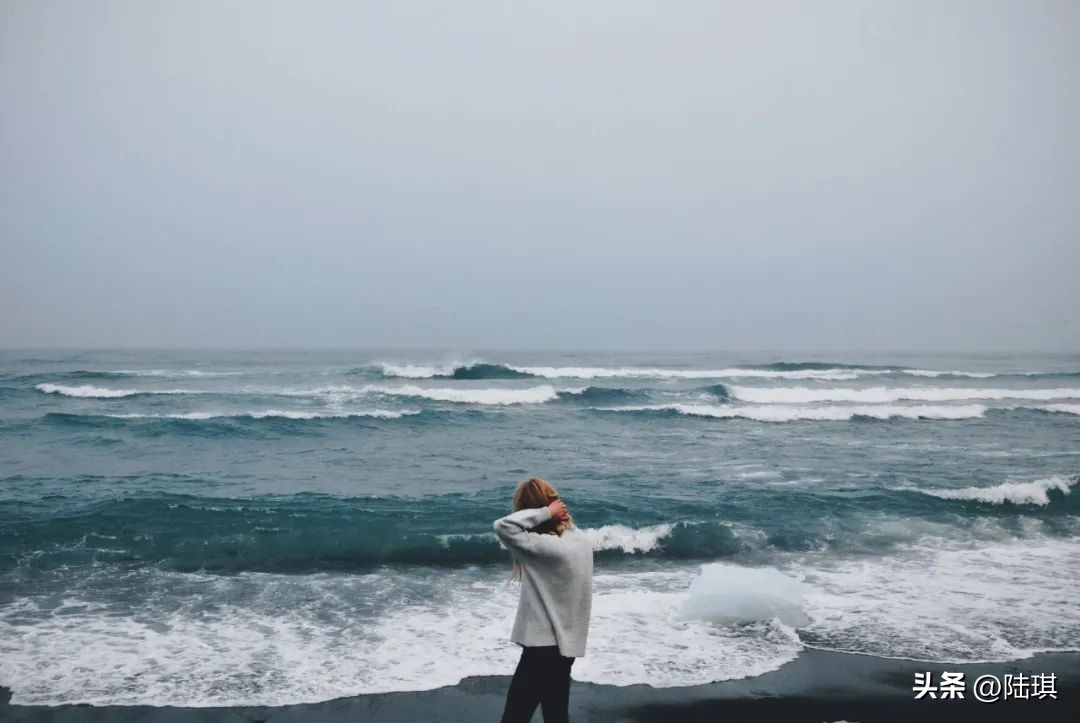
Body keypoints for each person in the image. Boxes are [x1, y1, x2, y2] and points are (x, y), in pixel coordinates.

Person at [493, 477, 594, 723]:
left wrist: (545, 512)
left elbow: (503, 526)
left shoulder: (547, 548)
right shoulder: (579, 541)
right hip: (565, 649)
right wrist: (554, 513)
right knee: (556, 716)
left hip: (541, 649)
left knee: (514, 717)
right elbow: (565, 527)